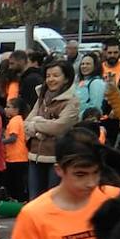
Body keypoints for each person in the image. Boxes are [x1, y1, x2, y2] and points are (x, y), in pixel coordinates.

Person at [23, 59, 79, 197]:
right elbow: (26, 123)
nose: (51, 79)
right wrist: (41, 124)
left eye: (56, 75)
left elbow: (59, 127)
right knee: (35, 200)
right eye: (48, 76)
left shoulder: (72, 101)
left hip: (57, 159)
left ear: (66, 79)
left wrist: (37, 123)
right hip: (35, 156)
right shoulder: (42, 96)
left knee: (54, 199)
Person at [75, 52, 107, 116]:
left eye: (88, 64)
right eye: (82, 64)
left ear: (95, 66)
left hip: (87, 122)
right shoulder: (80, 81)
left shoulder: (97, 82)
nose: (84, 66)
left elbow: (96, 107)